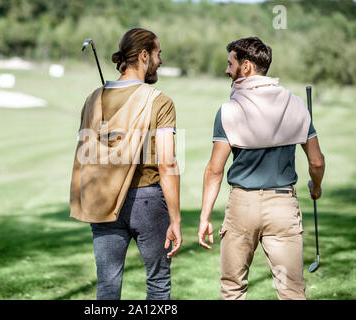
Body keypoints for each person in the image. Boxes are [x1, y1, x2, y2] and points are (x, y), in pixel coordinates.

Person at [197, 37, 325, 300]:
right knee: (291, 290)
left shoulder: (229, 110)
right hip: (283, 206)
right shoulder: (296, 104)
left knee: (233, 289)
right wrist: (317, 186)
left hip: (242, 205)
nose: (226, 70)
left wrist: (204, 217)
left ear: (246, 67)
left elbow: (214, 171)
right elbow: (317, 162)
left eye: (230, 63)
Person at [70, 28, 182, 300]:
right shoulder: (160, 101)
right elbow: (167, 164)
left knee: (107, 287)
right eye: (158, 54)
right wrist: (176, 219)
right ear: (144, 56)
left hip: (103, 198)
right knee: (158, 284)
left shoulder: (93, 98)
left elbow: (88, 152)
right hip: (148, 202)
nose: (160, 61)